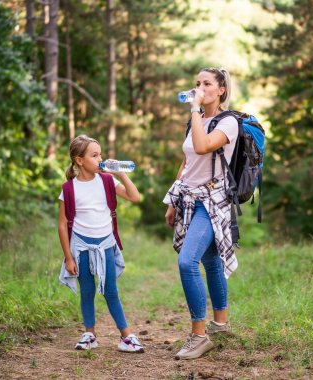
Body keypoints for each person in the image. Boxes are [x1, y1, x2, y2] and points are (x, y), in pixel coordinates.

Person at [163, 68, 239, 360]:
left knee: (187, 262)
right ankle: (221, 324)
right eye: (197, 83)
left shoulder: (229, 122)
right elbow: (187, 162)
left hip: (213, 201)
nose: (199, 88)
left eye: (207, 83)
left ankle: (199, 336)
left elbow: (203, 145)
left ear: (221, 90)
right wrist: (173, 201)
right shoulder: (195, 120)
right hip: (190, 199)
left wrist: (195, 109)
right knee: (209, 259)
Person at [57, 135, 144, 353]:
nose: (100, 159)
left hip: (105, 244)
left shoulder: (107, 181)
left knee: (110, 291)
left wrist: (121, 174)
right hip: (81, 246)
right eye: (94, 155)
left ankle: (126, 337)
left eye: (100, 154)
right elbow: (62, 224)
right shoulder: (69, 189)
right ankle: (90, 334)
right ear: (79, 160)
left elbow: (135, 197)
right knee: (86, 290)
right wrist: (68, 257)